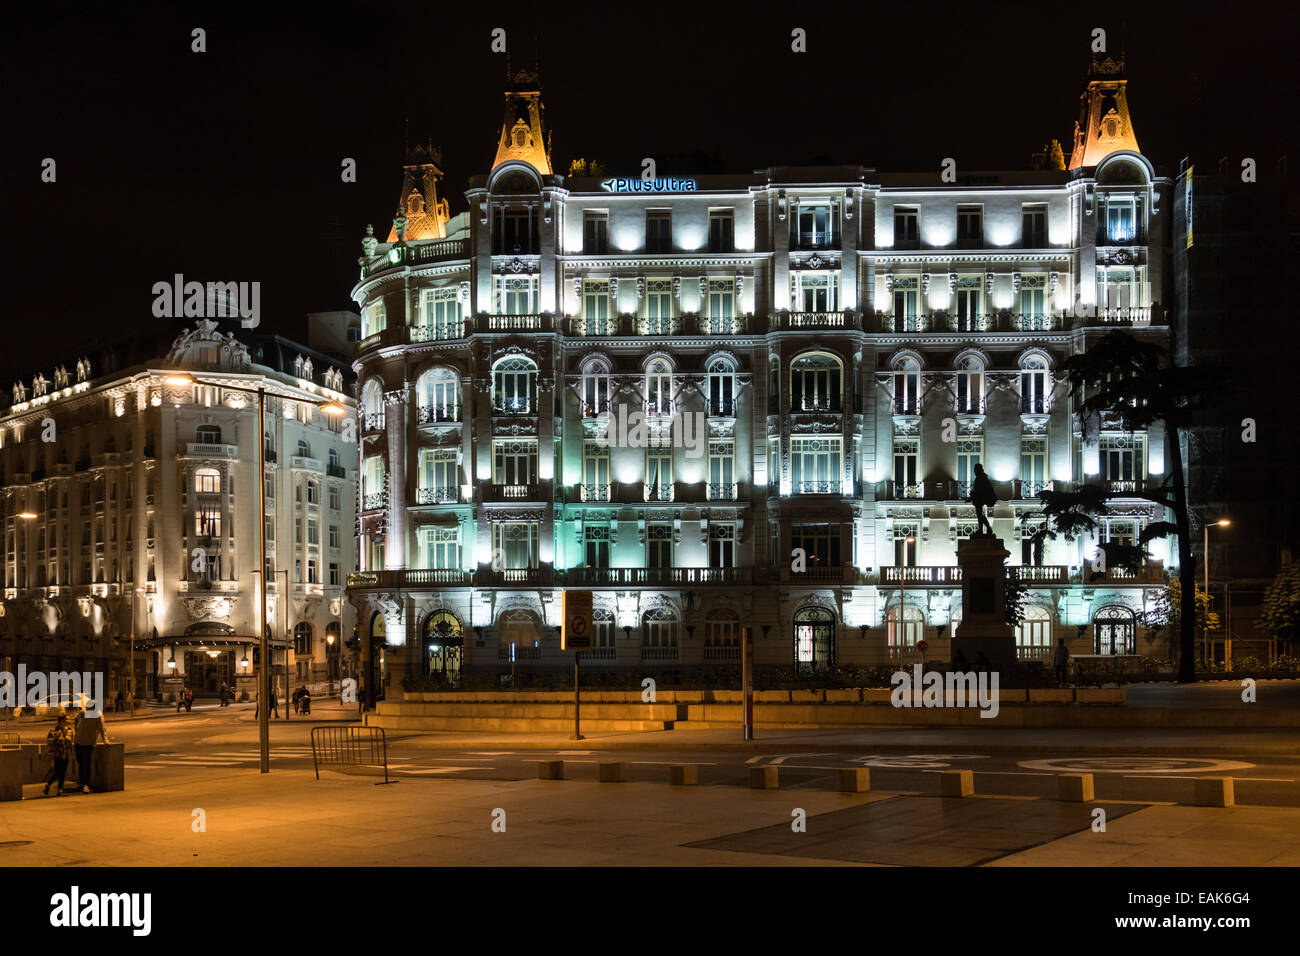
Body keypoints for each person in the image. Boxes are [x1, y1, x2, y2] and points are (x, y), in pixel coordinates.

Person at [73, 707, 110, 794]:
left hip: (88, 743)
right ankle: (82, 783)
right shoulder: (82, 713)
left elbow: (102, 729)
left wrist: (105, 740)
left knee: (86, 763)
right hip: (78, 741)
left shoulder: (98, 715)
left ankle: (86, 784)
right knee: (80, 763)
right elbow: (75, 719)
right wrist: (76, 730)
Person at [43, 713, 75, 796]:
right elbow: (49, 742)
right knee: (57, 772)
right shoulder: (53, 730)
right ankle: (49, 784)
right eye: (67, 719)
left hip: (66, 754)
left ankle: (60, 789)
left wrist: (70, 750)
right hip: (57, 754)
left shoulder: (69, 730)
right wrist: (56, 737)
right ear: (61, 721)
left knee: (63, 772)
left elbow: (71, 741)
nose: (69, 721)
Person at [968, 462, 998, 535]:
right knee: (980, 514)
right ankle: (982, 529)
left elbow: (980, 490)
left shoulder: (981, 478)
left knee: (980, 514)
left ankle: (986, 529)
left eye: (975, 469)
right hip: (979, 499)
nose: (974, 471)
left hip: (980, 499)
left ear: (978, 470)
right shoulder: (981, 477)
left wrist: (973, 495)